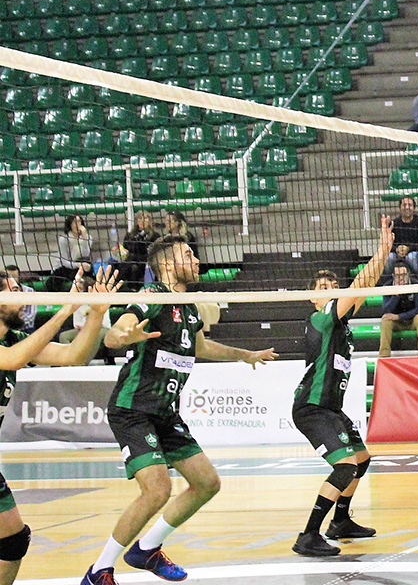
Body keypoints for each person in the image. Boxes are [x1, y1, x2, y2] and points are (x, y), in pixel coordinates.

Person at [83, 237, 277, 585]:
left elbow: (201, 346)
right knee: (157, 489)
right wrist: (124, 336)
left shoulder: (187, 307)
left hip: (166, 414)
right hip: (133, 409)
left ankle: (147, 548)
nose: (196, 258)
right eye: (187, 254)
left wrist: (243, 355)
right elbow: (114, 336)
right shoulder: (152, 297)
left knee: (206, 483)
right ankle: (100, 570)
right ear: (168, 265)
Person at [0, 267, 120, 584]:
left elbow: (72, 355)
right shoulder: (11, 347)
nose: (26, 299)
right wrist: (64, 310)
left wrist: (96, 313)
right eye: (15, 291)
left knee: (13, 542)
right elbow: (11, 359)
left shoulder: (14, 339)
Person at [292, 216, 392, 557]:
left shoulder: (340, 323)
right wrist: (380, 251)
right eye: (323, 289)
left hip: (330, 409)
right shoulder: (321, 318)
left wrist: (383, 256)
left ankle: (341, 522)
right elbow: (357, 288)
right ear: (313, 299)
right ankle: (308, 535)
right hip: (311, 408)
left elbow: (362, 288)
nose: (330, 291)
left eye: (332, 286)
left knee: (361, 460)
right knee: (346, 465)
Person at [379, 265, 418, 357]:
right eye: (398, 276)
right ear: (393, 276)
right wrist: (396, 295)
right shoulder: (387, 286)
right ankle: (384, 355)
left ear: (408, 275)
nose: (401, 278)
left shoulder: (416, 285)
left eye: (403, 275)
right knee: (385, 319)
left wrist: (399, 316)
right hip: (397, 322)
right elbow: (386, 310)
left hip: (413, 320)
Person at [385, 196, 418, 275]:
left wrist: (409, 248)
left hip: (416, 254)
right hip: (396, 254)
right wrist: (397, 249)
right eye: (404, 205)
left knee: (411, 257)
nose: (407, 207)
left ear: (414, 208)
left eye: (409, 205)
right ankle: (388, 283)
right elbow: (386, 244)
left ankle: (417, 281)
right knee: (389, 258)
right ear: (400, 208)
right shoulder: (394, 224)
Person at [48, 214, 93, 292]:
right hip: (65, 268)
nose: (77, 224)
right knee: (52, 282)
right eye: (74, 222)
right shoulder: (64, 239)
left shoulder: (88, 238)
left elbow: (86, 254)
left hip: (80, 266)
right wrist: (79, 265)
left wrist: (85, 237)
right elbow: (64, 262)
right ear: (70, 224)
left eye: (79, 221)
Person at [119, 211, 160, 291]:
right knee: (124, 265)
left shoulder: (155, 236)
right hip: (131, 260)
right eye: (140, 218)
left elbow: (154, 253)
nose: (142, 220)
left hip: (146, 262)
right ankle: (119, 284)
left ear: (149, 220)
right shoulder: (130, 235)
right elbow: (125, 249)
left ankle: (133, 287)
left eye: (145, 218)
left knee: (133, 267)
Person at [3, 267, 35, 334]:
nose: (12, 279)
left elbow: (31, 315)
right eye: (9, 276)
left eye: (14, 276)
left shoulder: (29, 291)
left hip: (26, 329)